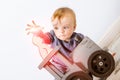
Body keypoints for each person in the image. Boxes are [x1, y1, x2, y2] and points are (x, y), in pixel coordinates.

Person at [26, 7, 85, 74]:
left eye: (65, 27)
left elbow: (87, 48)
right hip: (61, 67)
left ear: (74, 27)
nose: (61, 31)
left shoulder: (78, 37)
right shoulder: (52, 35)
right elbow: (45, 39)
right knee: (59, 73)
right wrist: (39, 33)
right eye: (56, 28)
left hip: (79, 63)